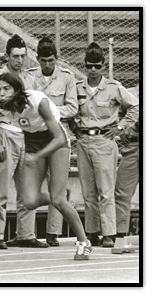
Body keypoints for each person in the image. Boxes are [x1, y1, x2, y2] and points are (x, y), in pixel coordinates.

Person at [0, 72, 92, 260]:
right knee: (30, 201)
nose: (1, 93)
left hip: (56, 143)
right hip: (32, 142)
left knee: (58, 201)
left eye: (6, 88)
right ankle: (58, 195)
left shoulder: (38, 101)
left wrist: (37, 156)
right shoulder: (2, 105)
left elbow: (59, 138)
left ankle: (83, 242)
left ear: (17, 89)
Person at [0, 34, 48, 249]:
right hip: (6, 134)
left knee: (27, 188)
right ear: (6, 56)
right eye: (15, 56)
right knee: (0, 189)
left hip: (26, 136)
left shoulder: (30, 78)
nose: (19, 60)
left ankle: (25, 234)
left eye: (23, 56)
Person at [70, 43, 139, 248]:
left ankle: (109, 232)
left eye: (97, 66)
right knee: (88, 191)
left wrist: (120, 127)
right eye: (89, 66)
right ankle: (92, 231)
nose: (93, 70)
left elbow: (135, 106)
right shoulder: (77, 87)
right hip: (83, 140)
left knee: (106, 190)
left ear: (102, 66)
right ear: (84, 65)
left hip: (104, 140)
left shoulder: (113, 88)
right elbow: (70, 108)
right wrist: (73, 126)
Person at [27, 37, 78, 246]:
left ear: (56, 58)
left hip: (59, 136)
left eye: (50, 60)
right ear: (37, 59)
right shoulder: (30, 77)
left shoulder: (67, 77)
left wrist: (51, 112)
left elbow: (73, 107)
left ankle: (53, 232)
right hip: (36, 137)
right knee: (33, 185)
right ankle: (27, 233)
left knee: (56, 184)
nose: (47, 65)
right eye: (43, 61)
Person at [114, 84, 139, 237]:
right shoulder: (127, 93)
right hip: (132, 145)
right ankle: (119, 233)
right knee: (122, 192)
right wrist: (121, 132)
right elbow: (116, 117)